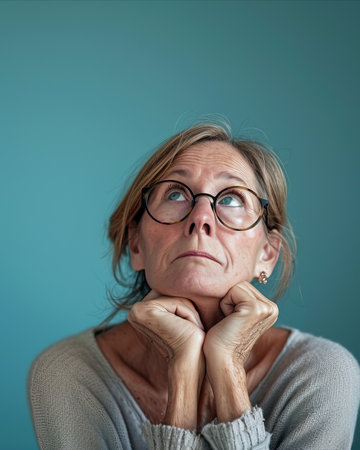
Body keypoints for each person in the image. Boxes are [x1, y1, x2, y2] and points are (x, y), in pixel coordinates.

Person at [28, 124, 360, 449]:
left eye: (231, 199)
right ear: (137, 246)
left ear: (267, 255)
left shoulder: (321, 375)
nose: (201, 217)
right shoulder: (69, 375)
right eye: (175, 194)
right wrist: (183, 381)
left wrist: (228, 369)